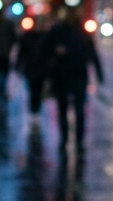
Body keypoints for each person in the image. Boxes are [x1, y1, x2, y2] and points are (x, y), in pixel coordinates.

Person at [47, 8, 103, 152]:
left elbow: (92, 53)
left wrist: (99, 72)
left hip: (78, 76)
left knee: (78, 110)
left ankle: (78, 140)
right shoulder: (58, 31)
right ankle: (65, 139)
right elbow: (46, 50)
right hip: (62, 76)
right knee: (64, 109)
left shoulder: (81, 33)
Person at [15, 15, 52, 120]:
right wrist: (19, 65)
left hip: (42, 68)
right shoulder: (28, 36)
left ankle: (36, 110)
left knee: (39, 90)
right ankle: (33, 110)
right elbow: (22, 52)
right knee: (32, 90)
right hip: (31, 68)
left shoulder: (47, 37)